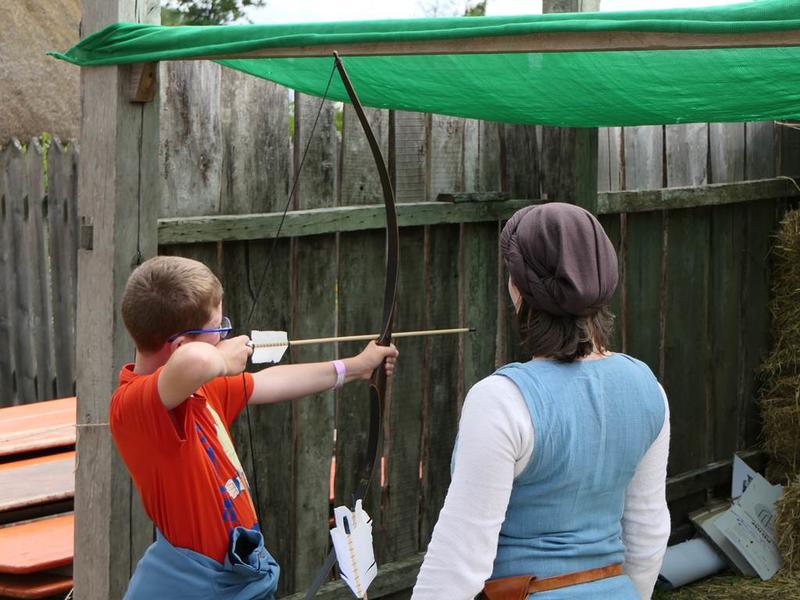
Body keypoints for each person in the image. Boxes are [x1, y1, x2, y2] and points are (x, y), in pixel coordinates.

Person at [412, 203, 670, 600]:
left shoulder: (500, 400)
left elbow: (459, 560)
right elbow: (648, 531)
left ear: (518, 287)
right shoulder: (648, 388)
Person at [110, 255, 398, 599]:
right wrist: (221, 358)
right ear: (182, 345)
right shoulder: (136, 406)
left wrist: (356, 367)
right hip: (195, 587)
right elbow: (197, 360)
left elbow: (266, 383)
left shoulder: (196, 389)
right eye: (219, 329)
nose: (224, 337)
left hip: (234, 576)